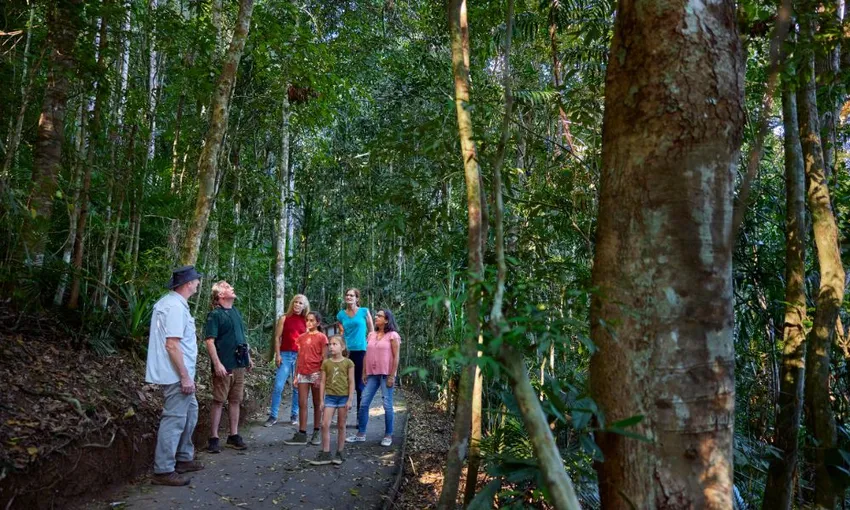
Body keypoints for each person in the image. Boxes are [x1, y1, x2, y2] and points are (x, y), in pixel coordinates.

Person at [145, 265, 205, 486]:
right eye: (196, 280)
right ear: (188, 284)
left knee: (191, 410)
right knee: (174, 419)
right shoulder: (175, 307)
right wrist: (185, 376)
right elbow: (172, 345)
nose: (198, 283)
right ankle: (163, 470)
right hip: (175, 374)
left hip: (177, 372)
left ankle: (183, 457)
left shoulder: (171, 303)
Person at [203, 281, 254, 453]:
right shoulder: (215, 315)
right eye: (227, 287)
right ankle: (214, 437)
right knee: (218, 400)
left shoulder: (235, 312)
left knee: (235, 400)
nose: (232, 287)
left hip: (239, 364)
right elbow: (209, 340)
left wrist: (248, 357)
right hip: (224, 366)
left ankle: (234, 435)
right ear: (220, 296)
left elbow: (241, 337)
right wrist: (217, 363)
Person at [346, 309, 400, 447]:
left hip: (386, 374)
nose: (376, 317)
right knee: (364, 403)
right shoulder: (371, 335)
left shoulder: (393, 335)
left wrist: (392, 375)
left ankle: (388, 435)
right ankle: (361, 434)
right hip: (372, 374)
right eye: (376, 315)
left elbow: (396, 357)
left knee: (387, 405)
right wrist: (364, 372)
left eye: (379, 316)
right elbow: (366, 354)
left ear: (387, 320)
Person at [283, 311, 328, 446]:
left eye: (312, 320)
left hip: (316, 373)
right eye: (307, 320)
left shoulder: (322, 338)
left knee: (317, 403)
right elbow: (299, 356)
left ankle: (316, 431)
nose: (309, 323)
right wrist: (296, 375)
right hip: (302, 372)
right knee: (302, 402)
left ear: (318, 323)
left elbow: (325, 358)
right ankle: (302, 433)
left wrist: (321, 375)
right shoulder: (301, 337)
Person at [265, 294, 310, 427]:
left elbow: (308, 340)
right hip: (285, 354)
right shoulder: (284, 318)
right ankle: (273, 416)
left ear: (304, 306)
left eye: (300, 303)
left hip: (300, 356)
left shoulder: (307, 320)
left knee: (297, 387)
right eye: (295, 302)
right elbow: (277, 337)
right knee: (278, 386)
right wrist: (277, 355)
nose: (297, 305)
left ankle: (294, 414)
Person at [309, 335, 355, 466]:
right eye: (330, 344)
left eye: (335, 344)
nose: (331, 347)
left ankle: (340, 452)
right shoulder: (326, 363)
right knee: (324, 424)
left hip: (343, 397)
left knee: (341, 425)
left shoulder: (348, 363)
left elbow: (351, 382)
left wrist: (350, 400)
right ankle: (326, 452)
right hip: (330, 397)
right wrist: (321, 400)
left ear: (343, 347)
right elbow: (323, 382)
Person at [336, 289, 373, 421]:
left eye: (352, 295)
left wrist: (372, 349)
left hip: (361, 351)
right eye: (347, 295)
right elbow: (341, 332)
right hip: (347, 352)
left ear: (357, 298)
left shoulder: (364, 311)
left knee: (359, 385)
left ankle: (360, 417)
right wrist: (341, 346)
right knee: (344, 384)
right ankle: (342, 417)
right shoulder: (341, 315)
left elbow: (371, 331)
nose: (349, 297)